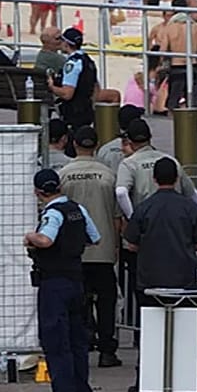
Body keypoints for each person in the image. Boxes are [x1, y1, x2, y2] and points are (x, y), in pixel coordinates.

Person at [122, 157, 197, 392]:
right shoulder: (189, 207)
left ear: (153, 180)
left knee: (149, 331)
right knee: (187, 331)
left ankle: (145, 382)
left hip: (149, 279)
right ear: (177, 178)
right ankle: (192, 383)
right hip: (183, 278)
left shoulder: (144, 207)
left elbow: (130, 243)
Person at [27, 167, 101, 392]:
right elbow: (95, 237)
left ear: (38, 192)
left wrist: (29, 236)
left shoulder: (53, 213)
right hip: (76, 282)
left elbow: (46, 240)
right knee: (77, 342)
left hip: (54, 284)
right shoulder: (77, 209)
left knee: (57, 342)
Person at [58, 126, 126, 369]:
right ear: (96, 146)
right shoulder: (109, 175)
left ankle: (82, 341)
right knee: (106, 301)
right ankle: (107, 349)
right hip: (104, 248)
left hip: (74, 251)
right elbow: (118, 216)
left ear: (74, 144)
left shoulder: (64, 175)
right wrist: (117, 244)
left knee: (78, 300)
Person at [50, 27, 97, 129]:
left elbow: (67, 94)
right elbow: (95, 87)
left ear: (66, 44)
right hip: (87, 111)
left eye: (61, 40)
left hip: (73, 114)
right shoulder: (88, 60)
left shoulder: (72, 63)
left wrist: (51, 86)